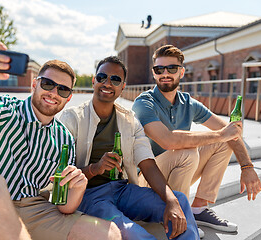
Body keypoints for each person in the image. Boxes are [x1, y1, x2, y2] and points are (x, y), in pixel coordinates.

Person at [0, 40, 122, 240]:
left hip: (33, 210)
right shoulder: (7, 108)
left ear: (68, 97)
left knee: (110, 234)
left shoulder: (64, 138)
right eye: (48, 84)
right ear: (34, 84)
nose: (53, 93)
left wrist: (78, 188)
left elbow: (64, 206)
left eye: (62, 90)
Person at [60, 56, 199, 239]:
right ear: (94, 81)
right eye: (102, 77)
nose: (107, 83)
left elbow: (147, 164)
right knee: (133, 233)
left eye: (115, 79)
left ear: (123, 86)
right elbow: (62, 174)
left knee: (179, 200)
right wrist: (96, 168)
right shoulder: (72, 119)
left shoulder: (130, 121)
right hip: (89, 196)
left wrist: (171, 200)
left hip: (123, 190)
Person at [132, 44, 261, 233]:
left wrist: (247, 166)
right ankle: (177, 215)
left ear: (182, 72)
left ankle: (198, 209)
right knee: (190, 150)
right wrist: (221, 134)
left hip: (175, 170)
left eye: (172, 68)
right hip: (145, 179)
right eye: (159, 69)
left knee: (223, 142)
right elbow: (167, 140)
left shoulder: (188, 103)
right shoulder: (144, 103)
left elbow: (231, 132)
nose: (165, 73)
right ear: (154, 73)